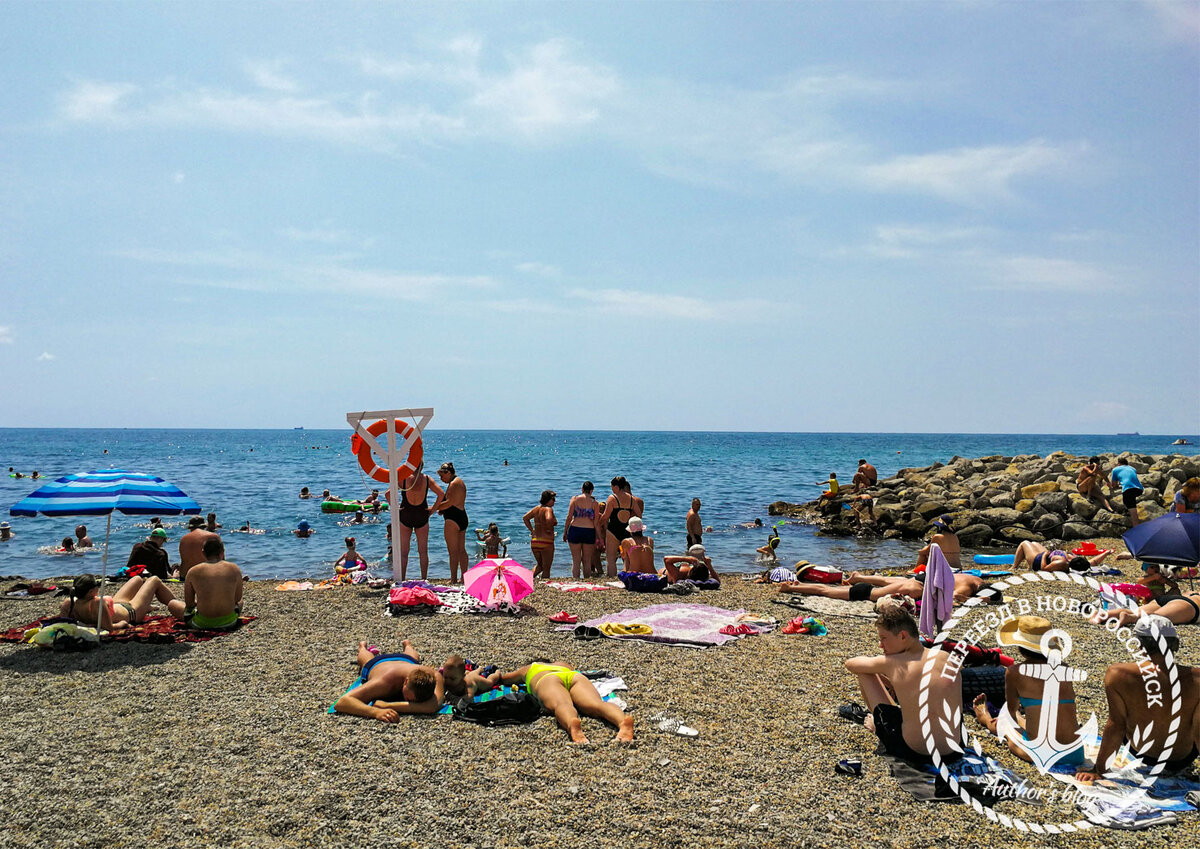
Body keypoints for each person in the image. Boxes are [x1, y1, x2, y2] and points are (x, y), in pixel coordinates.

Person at [1075, 616, 1200, 782]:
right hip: (1180, 758)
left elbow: (1116, 725)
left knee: (1122, 718)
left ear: (1139, 644)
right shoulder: (1197, 679)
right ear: (1173, 645)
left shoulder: (1118, 674)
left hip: (1142, 754)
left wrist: (1099, 770)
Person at [843, 606, 964, 763]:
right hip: (954, 750)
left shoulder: (893, 662)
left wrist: (880, 669)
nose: (881, 645)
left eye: (883, 638)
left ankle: (878, 725)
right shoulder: (945, 656)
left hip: (916, 752)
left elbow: (851, 664)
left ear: (902, 636)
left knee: (864, 673)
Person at [971, 616, 1084, 766]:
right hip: (1075, 753)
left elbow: (1011, 712)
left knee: (1006, 721)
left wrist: (1014, 715)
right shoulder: (1064, 668)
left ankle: (985, 718)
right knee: (1026, 719)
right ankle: (1019, 717)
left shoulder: (1014, 672)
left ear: (1020, 648)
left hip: (1042, 754)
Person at [495, 661, 634, 744]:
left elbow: (504, 679)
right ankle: (622, 722)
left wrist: (494, 674)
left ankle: (572, 724)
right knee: (597, 704)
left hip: (548, 679)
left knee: (562, 704)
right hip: (573, 676)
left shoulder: (530, 667)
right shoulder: (562, 664)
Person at [334, 639, 443, 721]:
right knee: (365, 661)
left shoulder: (435, 675)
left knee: (413, 658)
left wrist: (386, 706)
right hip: (377, 664)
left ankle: (407, 644)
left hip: (407, 660)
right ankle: (362, 647)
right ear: (406, 682)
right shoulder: (383, 682)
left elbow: (433, 706)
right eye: (408, 698)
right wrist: (375, 712)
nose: (409, 702)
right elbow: (342, 702)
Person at [782, 570, 986, 605]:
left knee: (885, 580)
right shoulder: (916, 591)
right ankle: (792, 588)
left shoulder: (916, 583)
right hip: (866, 593)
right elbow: (955, 598)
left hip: (871, 586)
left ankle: (799, 585)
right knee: (825, 592)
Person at [60, 573, 185, 629]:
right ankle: (179, 606)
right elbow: (110, 627)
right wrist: (123, 623)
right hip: (132, 611)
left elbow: (63, 622)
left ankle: (148, 606)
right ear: (91, 592)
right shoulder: (98, 604)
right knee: (154, 580)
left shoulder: (69, 603)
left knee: (137, 579)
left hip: (118, 604)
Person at [183, 537, 244, 630]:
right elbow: (237, 598)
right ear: (222, 551)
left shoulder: (193, 571)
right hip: (229, 622)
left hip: (201, 623)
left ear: (203, 552)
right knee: (241, 602)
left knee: (172, 604)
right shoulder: (234, 569)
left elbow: (189, 604)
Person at [395, 469, 444, 582]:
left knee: (403, 552)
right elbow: (441, 494)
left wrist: (395, 507)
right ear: (422, 466)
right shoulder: (427, 479)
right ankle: (423, 579)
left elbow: (388, 493)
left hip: (405, 514)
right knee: (423, 551)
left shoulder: (403, 478)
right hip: (421, 514)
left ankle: (401, 579)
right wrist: (433, 509)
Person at [432, 462, 469, 583]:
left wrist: (434, 508)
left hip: (453, 519)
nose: (441, 479)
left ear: (448, 473)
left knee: (453, 552)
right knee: (461, 550)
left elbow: (449, 503)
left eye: (442, 476)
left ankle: (453, 579)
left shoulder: (453, 484)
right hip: (462, 516)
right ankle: (464, 578)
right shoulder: (459, 482)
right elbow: (453, 502)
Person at [1094, 588, 1200, 627]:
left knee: (1136, 611)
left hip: (1171, 598)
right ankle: (1129, 619)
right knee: (1155, 617)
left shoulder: (1194, 591)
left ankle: (1104, 614)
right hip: (1188, 606)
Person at [599, 477, 639, 579]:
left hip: (613, 530)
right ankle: (626, 578)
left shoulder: (612, 498)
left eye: (612, 487)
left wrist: (598, 524)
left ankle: (612, 578)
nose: (612, 489)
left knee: (611, 559)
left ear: (616, 487)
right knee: (627, 558)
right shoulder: (631, 499)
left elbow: (606, 516)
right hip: (626, 531)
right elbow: (639, 515)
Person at [563, 481, 601, 580]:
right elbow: (596, 523)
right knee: (587, 560)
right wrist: (600, 538)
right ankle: (587, 580)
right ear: (592, 491)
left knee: (576, 560)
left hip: (575, 529)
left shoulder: (574, 499)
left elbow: (569, 517)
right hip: (589, 531)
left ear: (582, 489)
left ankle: (576, 580)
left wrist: (565, 531)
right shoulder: (595, 503)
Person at [1013, 541, 1110, 574]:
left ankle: (1014, 567)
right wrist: (1106, 553)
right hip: (1048, 555)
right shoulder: (1073, 560)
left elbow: (1044, 569)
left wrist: (1044, 556)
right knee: (1034, 543)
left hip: (1037, 561)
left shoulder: (1062, 563)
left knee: (1024, 543)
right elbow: (1093, 562)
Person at [524, 490, 558, 580]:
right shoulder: (548, 509)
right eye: (553, 499)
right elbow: (549, 519)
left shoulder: (536, 509)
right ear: (548, 500)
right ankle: (545, 585)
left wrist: (532, 530)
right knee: (546, 568)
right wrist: (550, 529)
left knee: (540, 565)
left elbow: (525, 518)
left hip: (535, 541)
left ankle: (528, 579)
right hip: (546, 541)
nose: (555, 501)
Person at [1106, 457, 1144, 527]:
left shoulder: (1115, 469)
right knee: (1127, 501)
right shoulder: (1132, 468)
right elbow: (1130, 480)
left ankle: (1136, 529)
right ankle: (1128, 512)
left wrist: (1110, 486)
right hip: (1140, 489)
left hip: (1129, 489)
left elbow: (1114, 485)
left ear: (1119, 464)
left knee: (1133, 511)